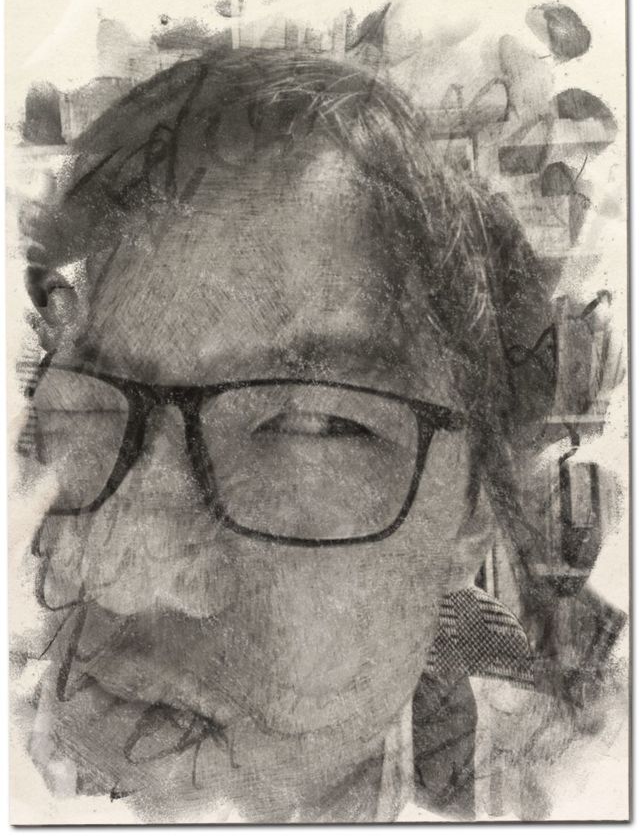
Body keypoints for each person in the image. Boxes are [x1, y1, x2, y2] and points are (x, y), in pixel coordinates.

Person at [22, 49, 572, 822]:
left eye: (313, 429)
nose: (128, 577)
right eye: (96, 408)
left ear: (470, 512)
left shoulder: (560, 787)